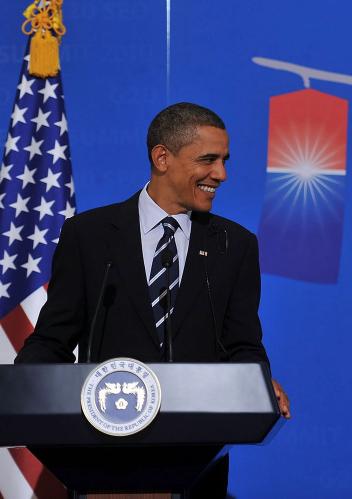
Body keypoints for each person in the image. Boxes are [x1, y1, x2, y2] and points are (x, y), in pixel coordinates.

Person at [15, 102, 290, 493]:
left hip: (196, 461)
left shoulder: (235, 245)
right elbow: (52, 339)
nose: (221, 174)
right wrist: (22, 388)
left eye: (225, 160)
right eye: (208, 160)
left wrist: (258, 382)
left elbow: (243, 344)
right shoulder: (89, 236)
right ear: (162, 157)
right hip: (104, 458)